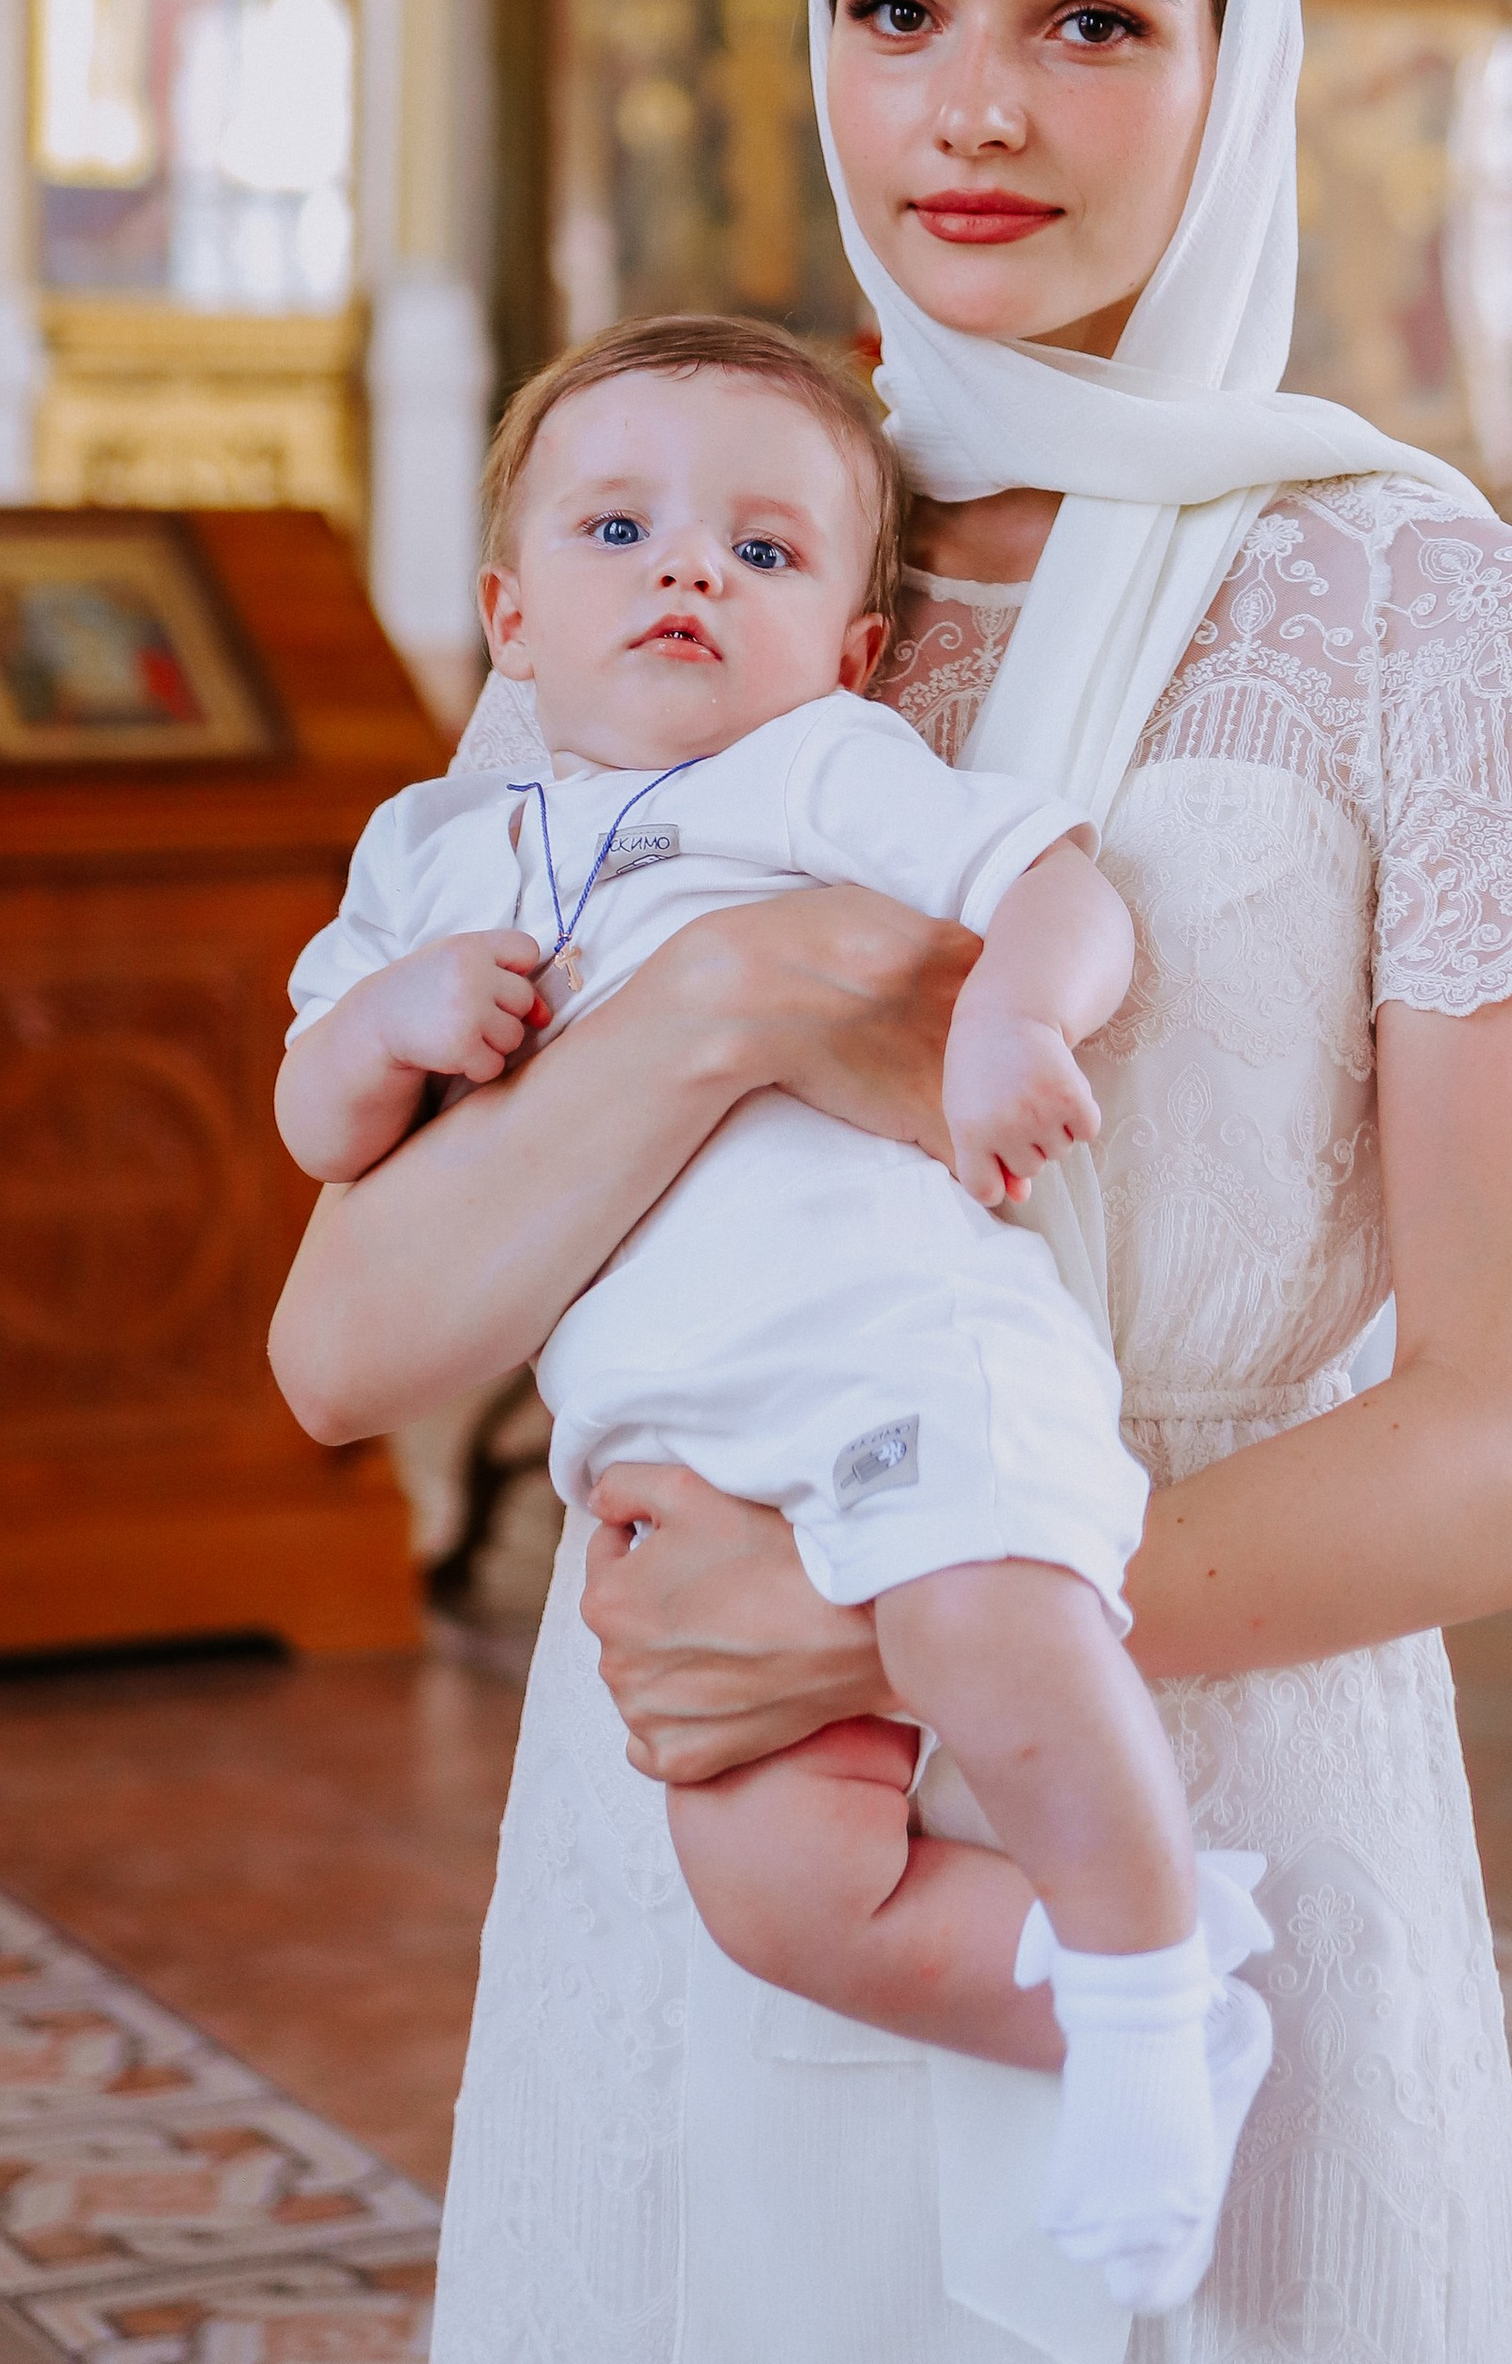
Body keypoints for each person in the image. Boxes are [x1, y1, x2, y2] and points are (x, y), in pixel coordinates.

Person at [270, 0, 1512, 2361]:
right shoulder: (687, 554)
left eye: (1091, 17)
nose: (973, 108)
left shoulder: (1430, 610)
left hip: (1192, 1791)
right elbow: (348, 1345)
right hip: (702, 1818)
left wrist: (886, 1628)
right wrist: (735, 1013)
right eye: (895, 9)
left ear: (1243, 66)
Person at [277, 312, 1274, 2316]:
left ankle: (1145, 1990)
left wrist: (1007, 1015)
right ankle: (1131, 2006)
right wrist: (389, 1022)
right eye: (619, 527)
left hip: (901, 1365)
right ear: (509, 616)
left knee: (997, 1630)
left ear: (848, 646)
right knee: (782, 1903)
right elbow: (318, 1119)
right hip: (677, 1463)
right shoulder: (430, 853)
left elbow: (1062, 891)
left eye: (758, 552)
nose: (681, 573)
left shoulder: (826, 774)